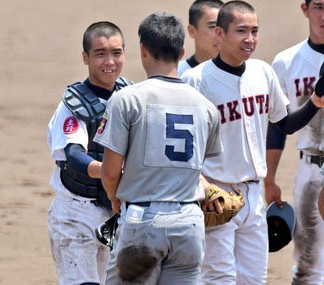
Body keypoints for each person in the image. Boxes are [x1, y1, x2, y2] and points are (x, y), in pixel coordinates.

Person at [181, 1, 324, 283]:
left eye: (255, 31)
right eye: (241, 31)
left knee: (254, 279)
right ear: (220, 34)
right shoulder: (195, 81)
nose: (250, 39)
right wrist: (201, 185)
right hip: (216, 195)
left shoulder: (262, 72)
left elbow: (284, 124)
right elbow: (186, 147)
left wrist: (315, 102)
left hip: (254, 196)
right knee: (219, 278)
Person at [94, 12, 222, 284]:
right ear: (182, 51)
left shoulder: (126, 99)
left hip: (143, 220)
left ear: (143, 50)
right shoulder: (206, 107)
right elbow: (200, 165)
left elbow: (111, 171)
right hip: (189, 222)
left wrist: (116, 199)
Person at [46, 21, 132, 285]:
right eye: (100, 54)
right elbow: (73, 155)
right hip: (76, 214)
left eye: (116, 53)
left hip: (116, 213)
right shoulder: (73, 104)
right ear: (85, 57)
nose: (110, 61)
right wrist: (108, 170)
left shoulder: (131, 95)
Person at [265, 0, 324, 283]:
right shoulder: (287, 61)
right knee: (307, 265)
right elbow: (277, 125)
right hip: (310, 170)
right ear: (305, 9)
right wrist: (270, 176)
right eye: (320, 7)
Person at [178, 0, 223, 77]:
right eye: (212, 27)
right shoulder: (177, 74)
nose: (221, 33)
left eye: (224, 26)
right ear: (192, 31)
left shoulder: (245, 73)